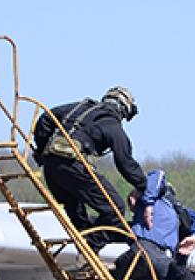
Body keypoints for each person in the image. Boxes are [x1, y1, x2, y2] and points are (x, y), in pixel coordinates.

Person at [31, 86, 145, 236]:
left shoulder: (79, 107)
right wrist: (144, 185)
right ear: (123, 110)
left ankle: (85, 251)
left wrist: (42, 150)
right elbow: (125, 163)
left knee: (78, 217)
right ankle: (93, 244)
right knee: (115, 209)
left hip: (51, 170)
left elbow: (45, 118)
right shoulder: (112, 125)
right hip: (75, 169)